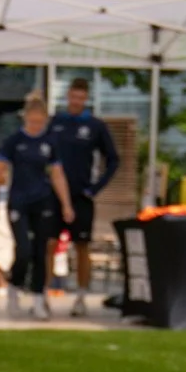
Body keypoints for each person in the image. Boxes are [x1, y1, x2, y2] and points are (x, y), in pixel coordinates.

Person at [0, 92, 74, 320]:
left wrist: (66, 204)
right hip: (18, 200)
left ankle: (39, 297)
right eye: (32, 121)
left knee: (41, 250)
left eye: (40, 122)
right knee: (24, 249)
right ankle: (14, 287)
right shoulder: (14, 142)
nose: (36, 126)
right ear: (25, 118)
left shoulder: (50, 143)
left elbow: (57, 174)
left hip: (43, 200)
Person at [46, 78, 119, 315]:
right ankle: (43, 296)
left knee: (82, 246)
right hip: (54, 194)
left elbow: (113, 159)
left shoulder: (95, 126)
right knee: (49, 244)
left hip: (81, 195)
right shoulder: (55, 122)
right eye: (72, 97)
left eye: (80, 98)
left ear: (85, 99)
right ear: (67, 96)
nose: (76, 102)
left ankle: (81, 297)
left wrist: (95, 188)